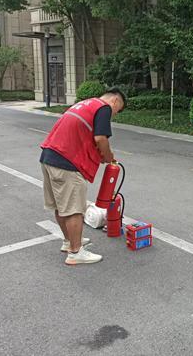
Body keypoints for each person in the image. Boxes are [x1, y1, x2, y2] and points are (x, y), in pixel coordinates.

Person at [40, 87, 126, 265]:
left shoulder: (85, 103)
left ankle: (68, 242)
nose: (113, 115)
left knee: (61, 206)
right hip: (67, 162)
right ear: (115, 101)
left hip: (49, 156)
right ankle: (75, 252)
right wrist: (108, 157)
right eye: (117, 111)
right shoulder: (103, 107)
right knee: (74, 209)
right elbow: (100, 138)